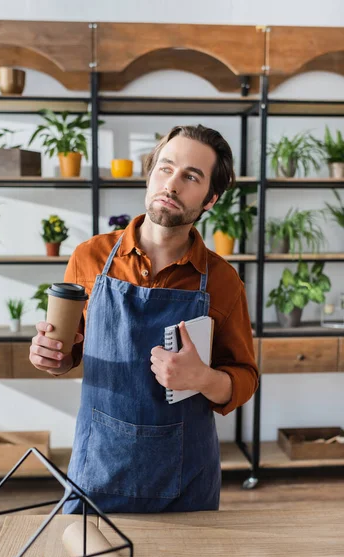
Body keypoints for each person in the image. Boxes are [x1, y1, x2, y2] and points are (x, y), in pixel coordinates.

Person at [29, 124, 259, 514]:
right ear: (150, 173)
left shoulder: (223, 282)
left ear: (210, 199)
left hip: (186, 479)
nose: (172, 185)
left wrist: (202, 378)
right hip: (98, 465)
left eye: (191, 177)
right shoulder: (90, 258)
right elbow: (71, 351)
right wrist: (52, 357)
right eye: (165, 168)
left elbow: (244, 379)